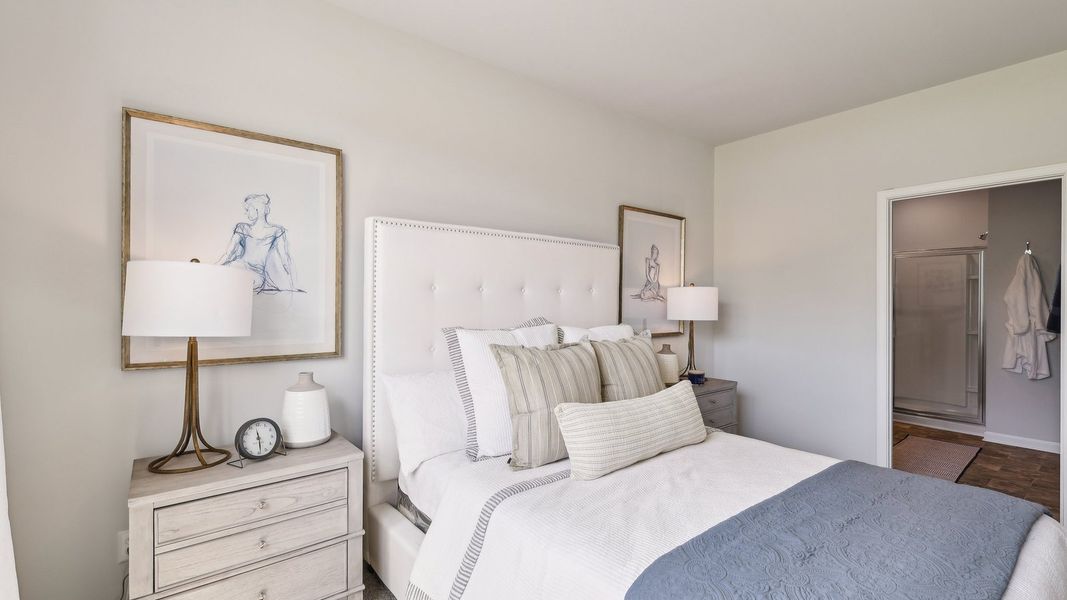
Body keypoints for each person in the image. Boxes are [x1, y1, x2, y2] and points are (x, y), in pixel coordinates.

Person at [218, 193, 304, 294]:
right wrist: (212, 268)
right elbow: (229, 254)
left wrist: (292, 285)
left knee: (240, 285)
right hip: (237, 266)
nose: (245, 213)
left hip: (256, 275)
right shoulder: (242, 227)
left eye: (247, 209)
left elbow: (285, 259)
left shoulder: (277, 231)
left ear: (257, 210)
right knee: (227, 280)